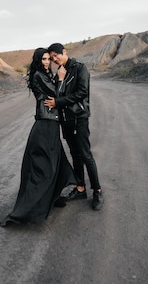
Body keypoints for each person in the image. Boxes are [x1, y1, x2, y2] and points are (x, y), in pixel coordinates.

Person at [0, 48, 76, 227]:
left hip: (51, 123)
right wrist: (61, 79)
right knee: (44, 167)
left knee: (56, 162)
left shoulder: (45, 74)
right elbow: (57, 94)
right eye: (43, 59)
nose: (47, 62)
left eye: (49, 59)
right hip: (45, 124)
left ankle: (53, 196)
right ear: (37, 60)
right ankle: (26, 211)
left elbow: (57, 96)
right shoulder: (38, 76)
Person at [44, 43, 104, 210]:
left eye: (56, 55)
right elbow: (57, 92)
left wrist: (58, 101)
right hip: (66, 120)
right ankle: (80, 189)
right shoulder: (59, 73)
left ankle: (97, 190)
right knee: (75, 155)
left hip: (79, 117)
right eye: (52, 57)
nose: (55, 59)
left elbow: (82, 93)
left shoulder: (79, 68)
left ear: (64, 52)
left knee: (85, 154)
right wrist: (60, 81)